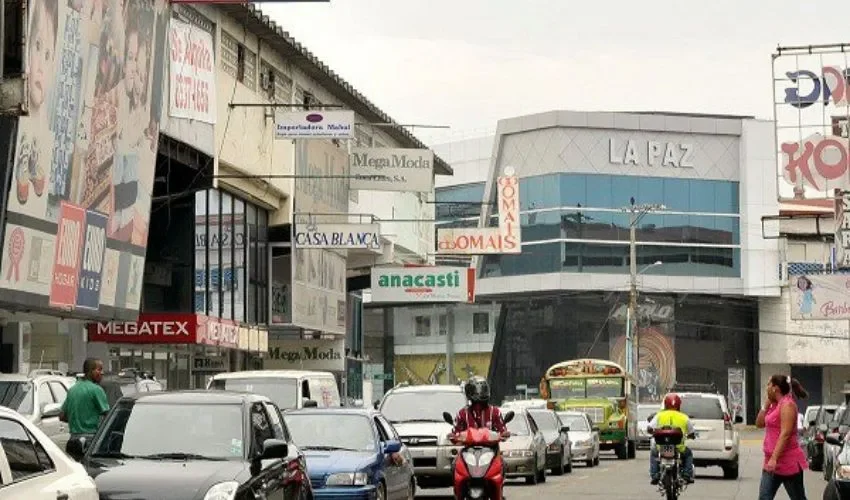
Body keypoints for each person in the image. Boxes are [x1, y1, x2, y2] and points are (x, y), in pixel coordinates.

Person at [756, 375, 809, 500]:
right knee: (764, 497)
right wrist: (765, 406)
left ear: (775, 388)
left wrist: (774, 458)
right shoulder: (774, 405)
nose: (766, 388)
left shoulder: (788, 405)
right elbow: (759, 424)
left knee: (798, 497)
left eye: (768, 385)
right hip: (770, 463)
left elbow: (785, 433)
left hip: (788, 462)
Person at [60, 358, 111, 453]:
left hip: (73, 440)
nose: (102, 373)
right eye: (99, 369)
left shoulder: (72, 390)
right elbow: (108, 416)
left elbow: (62, 416)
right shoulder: (96, 390)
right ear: (90, 371)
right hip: (90, 440)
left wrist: (77, 419)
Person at [648, 393, 695, 485]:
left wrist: (653, 432)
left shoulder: (659, 415)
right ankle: (687, 474)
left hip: (660, 447)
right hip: (679, 448)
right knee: (688, 454)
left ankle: (655, 475)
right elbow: (691, 432)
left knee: (654, 453)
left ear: (665, 404)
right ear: (679, 405)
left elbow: (649, 428)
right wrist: (691, 436)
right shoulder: (684, 417)